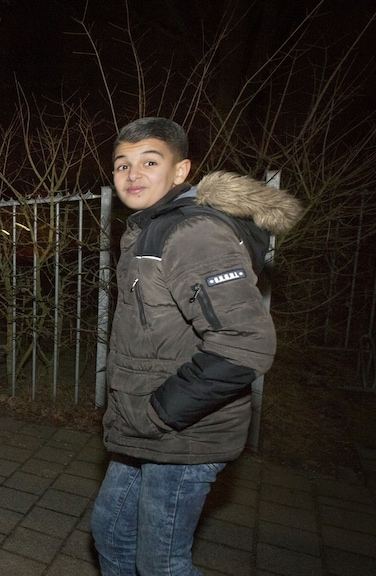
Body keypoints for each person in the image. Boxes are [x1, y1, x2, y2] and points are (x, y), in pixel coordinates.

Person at [91, 117, 302, 575]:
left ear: (182, 170)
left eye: (150, 161)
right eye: (121, 164)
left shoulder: (192, 233)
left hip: (183, 434)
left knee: (161, 564)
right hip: (141, 429)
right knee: (111, 535)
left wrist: (161, 412)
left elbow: (246, 342)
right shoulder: (148, 229)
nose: (132, 175)